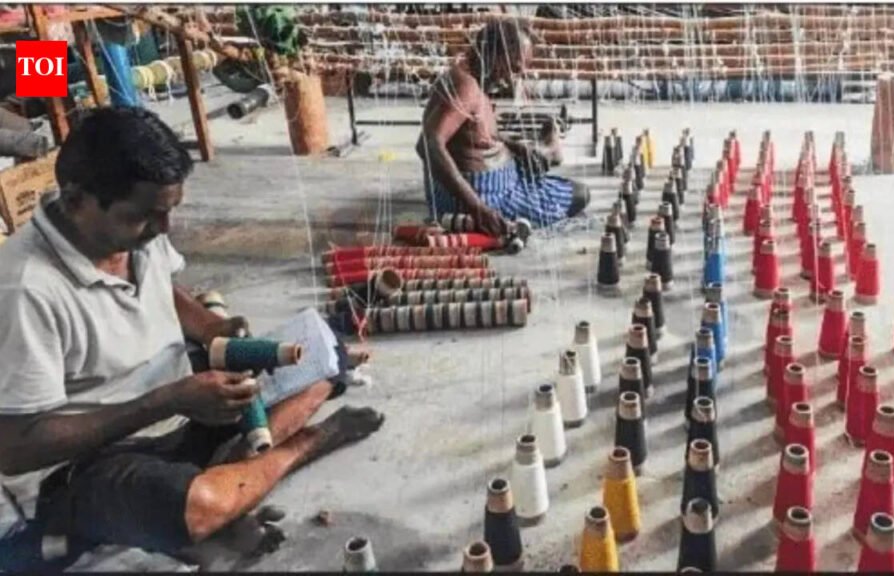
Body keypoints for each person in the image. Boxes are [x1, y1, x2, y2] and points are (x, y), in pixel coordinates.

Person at [0, 107, 384, 568]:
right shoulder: (24, 289)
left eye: (169, 211)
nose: (164, 228)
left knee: (319, 356)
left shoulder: (135, 227)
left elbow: (163, 283)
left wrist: (209, 327)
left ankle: (232, 477)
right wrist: (166, 401)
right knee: (200, 504)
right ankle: (303, 445)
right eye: (147, 216)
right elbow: (16, 448)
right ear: (78, 199)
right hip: (93, 461)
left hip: (178, 410)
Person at [416, 20, 590, 237]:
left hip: (487, 189)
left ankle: (545, 150)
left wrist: (514, 146)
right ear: (497, 55)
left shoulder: (470, 78)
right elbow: (428, 145)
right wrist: (479, 210)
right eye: (514, 68)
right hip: (484, 199)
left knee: (533, 161)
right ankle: (548, 150)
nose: (513, 78)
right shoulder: (466, 87)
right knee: (580, 193)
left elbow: (475, 133)